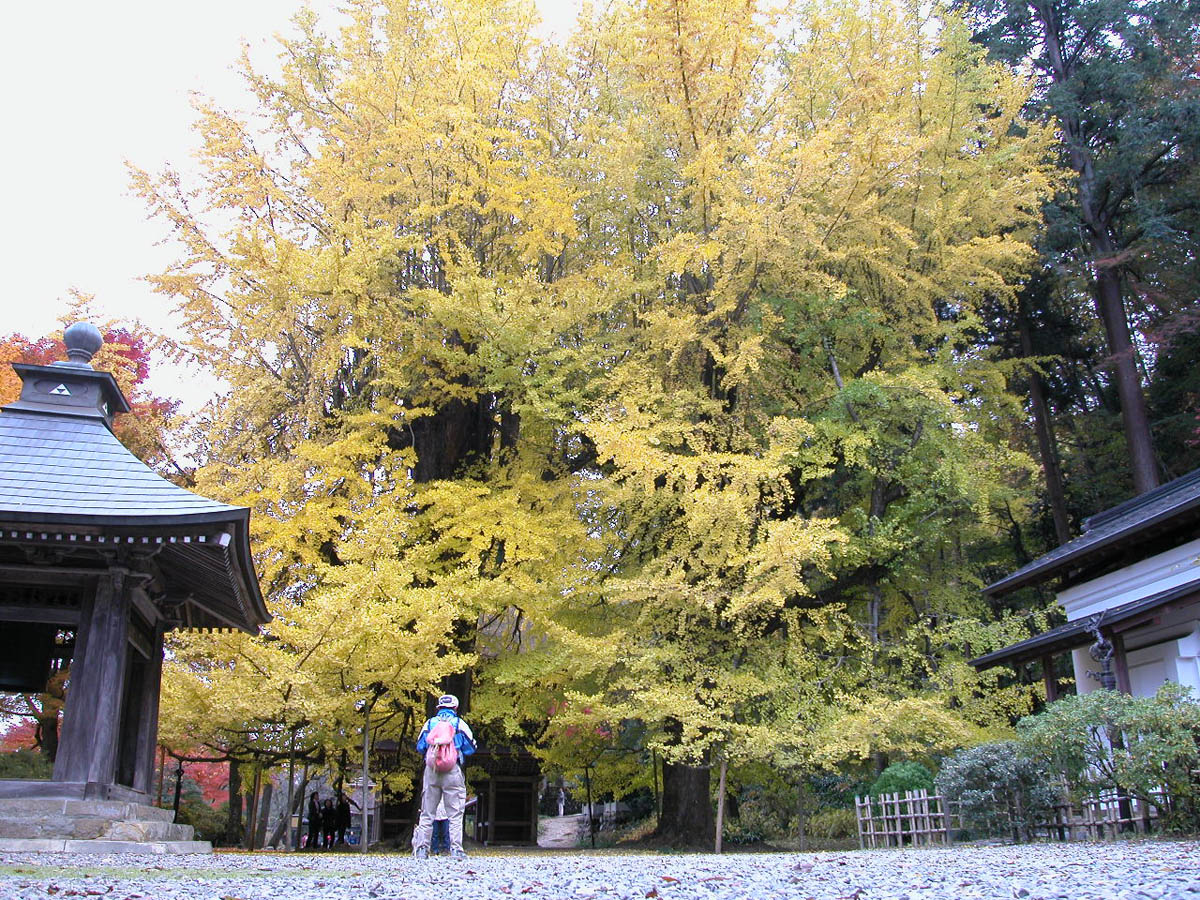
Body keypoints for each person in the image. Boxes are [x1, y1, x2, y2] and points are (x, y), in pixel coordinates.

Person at [412, 693, 475, 860]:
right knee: (455, 812)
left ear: (438, 708)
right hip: (452, 770)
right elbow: (471, 747)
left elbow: (420, 746)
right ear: (455, 707)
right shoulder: (459, 724)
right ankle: (456, 849)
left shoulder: (430, 723)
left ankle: (422, 849)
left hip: (431, 770)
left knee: (427, 811)